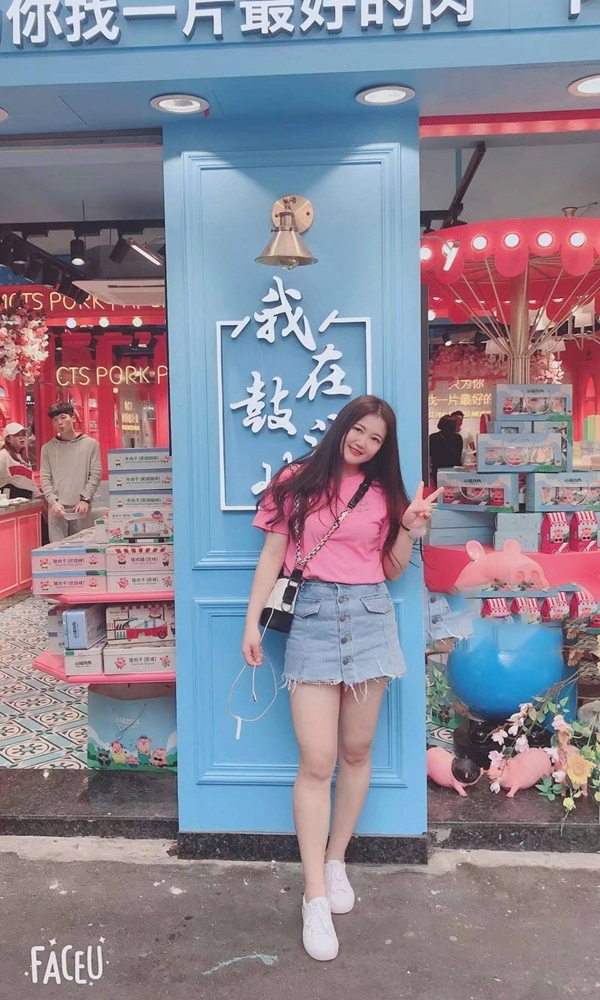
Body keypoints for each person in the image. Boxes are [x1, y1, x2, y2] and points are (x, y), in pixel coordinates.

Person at [242, 395, 441, 962]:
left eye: (376, 439)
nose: (364, 443)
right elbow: (272, 556)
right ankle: (314, 895)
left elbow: (391, 570)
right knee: (317, 760)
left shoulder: (382, 492)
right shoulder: (295, 480)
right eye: (359, 430)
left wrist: (410, 530)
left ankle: (336, 860)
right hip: (311, 620)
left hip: (370, 617)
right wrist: (251, 623)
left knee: (356, 751)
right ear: (342, 427)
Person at [40, 402, 102, 543]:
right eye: (55, 420)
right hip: (57, 509)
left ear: (73, 418)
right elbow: (45, 477)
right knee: (57, 549)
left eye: (63, 417)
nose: (59, 423)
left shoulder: (90, 444)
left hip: (81, 507)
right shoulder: (47, 448)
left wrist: (85, 499)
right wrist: (53, 502)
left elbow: (95, 474)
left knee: (82, 547)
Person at [0, 422, 43, 500]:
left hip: (26, 501)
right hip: (9, 502)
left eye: (23, 434)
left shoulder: (25, 459)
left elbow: (31, 483)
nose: (21, 437)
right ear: (8, 439)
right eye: (17, 435)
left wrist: (40, 496)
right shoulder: (3, 455)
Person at [428, 414, 463, 486]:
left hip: (438, 468)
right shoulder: (458, 437)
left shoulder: (433, 437)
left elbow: (430, 455)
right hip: (454, 469)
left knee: (440, 488)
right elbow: (459, 454)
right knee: (454, 489)